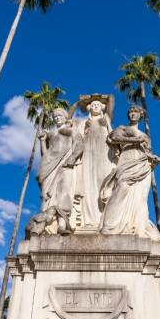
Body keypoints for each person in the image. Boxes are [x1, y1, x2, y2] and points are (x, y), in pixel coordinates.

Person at [98, 106, 160, 240]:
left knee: (140, 197)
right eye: (131, 112)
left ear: (140, 116)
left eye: (136, 113)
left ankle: (135, 227)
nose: (133, 114)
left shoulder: (145, 136)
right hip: (127, 160)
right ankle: (109, 226)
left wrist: (154, 160)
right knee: (121, 189)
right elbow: (115, 138)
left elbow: (147, 152)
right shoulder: (122, 128)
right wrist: (135, 140)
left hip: (142, 164)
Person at [64, 98, 115, 229]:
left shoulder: (106, 120)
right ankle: (90, 221)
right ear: (89, 108)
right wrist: (77, 103)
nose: (96, 106)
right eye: (93, 105)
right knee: (89, 188)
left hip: (105, 156)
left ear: (102, 107)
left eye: (98, 105)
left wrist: (96, 96)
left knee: (104, 184)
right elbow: (67, 120)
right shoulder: (83, 123)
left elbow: (111, 100)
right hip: (87, 156)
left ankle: (107, 220)